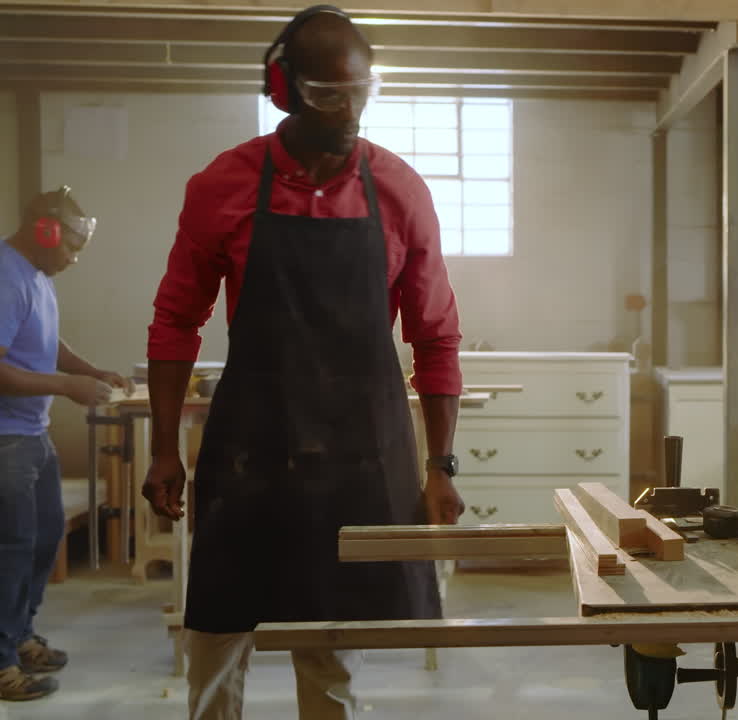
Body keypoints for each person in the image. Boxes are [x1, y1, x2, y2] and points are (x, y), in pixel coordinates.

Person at [141, 6, 464, 719]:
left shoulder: (400, 191)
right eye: (327, 95)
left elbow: (436, 335)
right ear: (282, 87)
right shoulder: (222, 186)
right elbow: (175, 321)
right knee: (220, 632)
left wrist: (440, 466)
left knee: (332, 638)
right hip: (251, 450)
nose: (347, 112)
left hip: (355, 453)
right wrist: (165, 449)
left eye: (360, 92)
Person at [1, 186, 133, 701]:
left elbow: (44, 341)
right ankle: (0, 660)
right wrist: (66, 386)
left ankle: (19, 634)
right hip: (6, 439)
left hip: (32, 433)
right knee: (11, 551)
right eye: (71, 248)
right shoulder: (5, 275)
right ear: (46, 231)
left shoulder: (35, 274)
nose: (74, 259)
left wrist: (87, 370)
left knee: (42, 539)